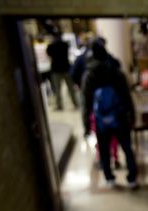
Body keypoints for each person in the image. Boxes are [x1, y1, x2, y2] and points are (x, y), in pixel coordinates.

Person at [81, 39, 138, 189]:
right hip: (119, 117)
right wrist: (132, 115)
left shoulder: (89, 75)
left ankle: (109, 177)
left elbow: (85, 103)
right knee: (126, 147)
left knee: (104, 150)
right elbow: (126, 95)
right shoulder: (116, 71)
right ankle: (132, 177)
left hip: (101, 121)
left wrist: (86, 125)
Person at [47, 31, 79, 110]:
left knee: (58, 89)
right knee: (70, 88)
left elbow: (49, 53)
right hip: (65, 68)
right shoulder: (64, 45)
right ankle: (75, 103)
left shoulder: (52, 46)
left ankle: (60, 105)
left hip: (58, 69)